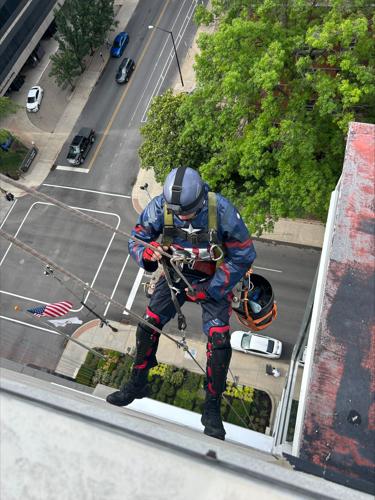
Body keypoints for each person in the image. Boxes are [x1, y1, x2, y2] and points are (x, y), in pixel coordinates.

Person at [106, 167, 256, 440]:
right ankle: (138, 381)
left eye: (186, 212)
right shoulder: (160, 207)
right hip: (176, 274)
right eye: (178, 213)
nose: (182, 217)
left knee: (220, 342)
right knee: (147, 325)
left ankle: (212, 406)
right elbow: (137, 237)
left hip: (213, 276)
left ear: (200, 200)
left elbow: (244, 254)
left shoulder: (221, 211)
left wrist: (212, 289)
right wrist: (148, 254)